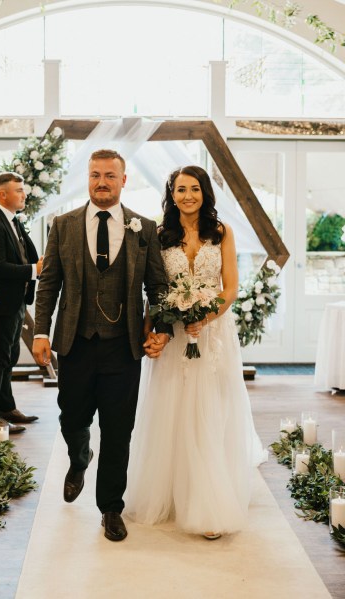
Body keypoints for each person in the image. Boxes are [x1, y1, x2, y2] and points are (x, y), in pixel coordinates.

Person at [32, 149, 172, 542]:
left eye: (110, 175)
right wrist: (40, 333)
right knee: (71, 417)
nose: (102, 182)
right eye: (95, 175)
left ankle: (111, 507)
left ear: (124, 180)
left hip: (123, 346)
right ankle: (79, 457)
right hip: (75, 342)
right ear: (87, 178)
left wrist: (161, 327)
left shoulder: (143, 228)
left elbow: (157, 286)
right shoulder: (64, 225)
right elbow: (49, 283)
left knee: (117, 429)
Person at [124, 165, 267, 539]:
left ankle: (208, 501)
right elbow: (152, 290)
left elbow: (230, 287)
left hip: (212, 334)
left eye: (195, 188)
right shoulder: (158, 234)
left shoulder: (221, 233)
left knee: (209, 409)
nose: (188, 195)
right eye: (181, 189)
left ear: (205, 193)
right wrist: (154, 331)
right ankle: (170, 494)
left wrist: (204, 317)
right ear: (171, 194)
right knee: (171, 408)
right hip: (172, 335)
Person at [0, 172, 42, 434]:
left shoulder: (12, 221)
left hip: (16, 301)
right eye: (18, 190)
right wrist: (34, 270)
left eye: (23, 189)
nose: (24, 194)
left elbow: (25, 253)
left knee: (10, 356)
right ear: (2, 194)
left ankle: (6, 407)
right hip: (1, 302)